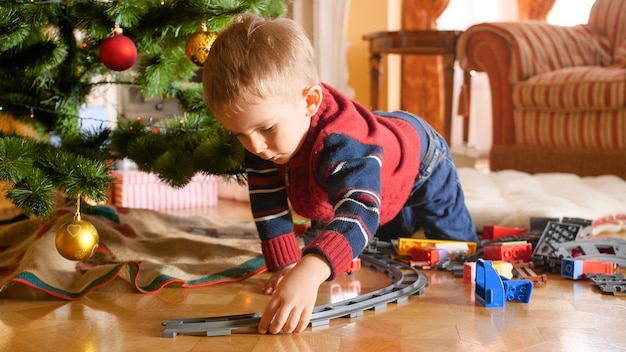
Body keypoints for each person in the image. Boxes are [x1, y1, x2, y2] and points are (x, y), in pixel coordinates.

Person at [202, 13, 477, 335]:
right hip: (374, 161)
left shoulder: (343, 142)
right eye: (239, 135)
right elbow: (268, 205)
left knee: (457, 247)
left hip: (422, 161)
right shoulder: (260, 135)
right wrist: (287, 265)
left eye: (267, 128)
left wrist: (311, 269)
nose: (256, 146)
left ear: (310, 101)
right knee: (387, 240)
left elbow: (359, 209)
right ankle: (398, 215)